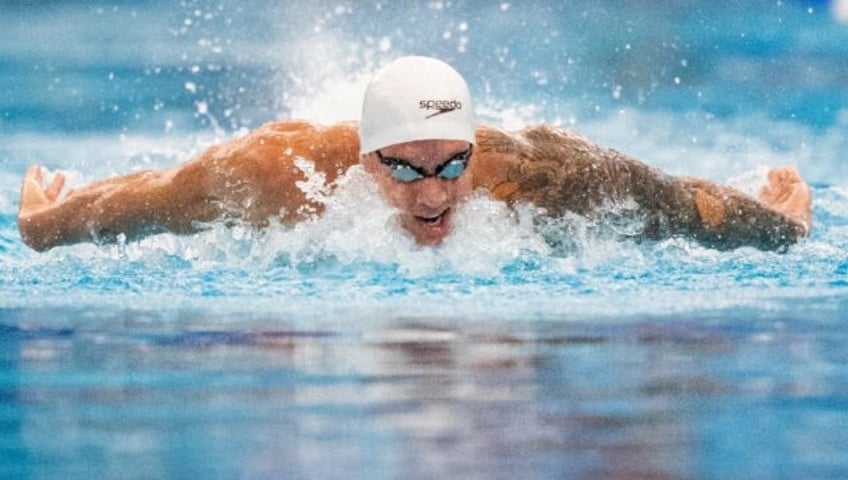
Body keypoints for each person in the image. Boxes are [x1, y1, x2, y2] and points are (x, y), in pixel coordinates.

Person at [17, 56, 812, 252]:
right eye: (403, 168)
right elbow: (151, 197)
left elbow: (679, 204)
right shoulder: (276, 175)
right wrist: (45, 225)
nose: (433, 194)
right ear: (365, 161)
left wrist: (780, 227)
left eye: (450, 165)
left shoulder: (541, 173)